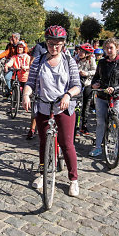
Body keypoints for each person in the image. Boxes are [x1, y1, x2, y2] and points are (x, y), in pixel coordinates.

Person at [22, 25, 81, 197]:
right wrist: (26, 94)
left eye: (58, 44)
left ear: (63, 44)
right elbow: (30, 82)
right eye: (50, 43)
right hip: (43, 107)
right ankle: (43, 173)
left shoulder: (69, 61)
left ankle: (73, 179)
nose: (54, 47)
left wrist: (68, 95)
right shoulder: (39, 61)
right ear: (46, 43)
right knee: (43, 143)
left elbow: (77, 85)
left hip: (63, 108)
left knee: (66, 143)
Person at [89, 38, 119, 157]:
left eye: (111, 48)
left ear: (117, 48)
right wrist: (94, 84)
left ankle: (117, 149)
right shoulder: (102, 62)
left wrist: (115, 88)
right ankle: (98, 147)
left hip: (116, 97)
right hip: (102, 96)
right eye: (106, 48)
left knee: (115, 123)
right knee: (101, 122)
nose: (108, 50)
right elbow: (96, 77)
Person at [75, 43, 97, 135]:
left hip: (87, 84)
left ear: (88, 54)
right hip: (77, 84)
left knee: (86, 106)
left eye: (83, 52)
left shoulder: (91, 60)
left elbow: (95, 71)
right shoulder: (75, 59)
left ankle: (84, 126)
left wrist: (86, 73)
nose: (80, 53)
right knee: (77, 106)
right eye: (80, 51)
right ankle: (75, 126)